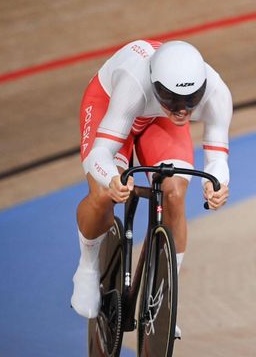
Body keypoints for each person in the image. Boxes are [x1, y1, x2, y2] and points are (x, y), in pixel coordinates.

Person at [70, 40, 232, 337]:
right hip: (111, 105)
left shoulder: (216, 93)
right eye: (171, 98)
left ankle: (162, 301)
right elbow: (100, 155)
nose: (182, 109)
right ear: (156, 85)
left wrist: (219, 186)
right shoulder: (135, 83)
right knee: (104, 194)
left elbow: (218, 158)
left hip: (157, 118)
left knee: (174, 193)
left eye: (190, 99)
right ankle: (88, 267)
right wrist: (111, 180)